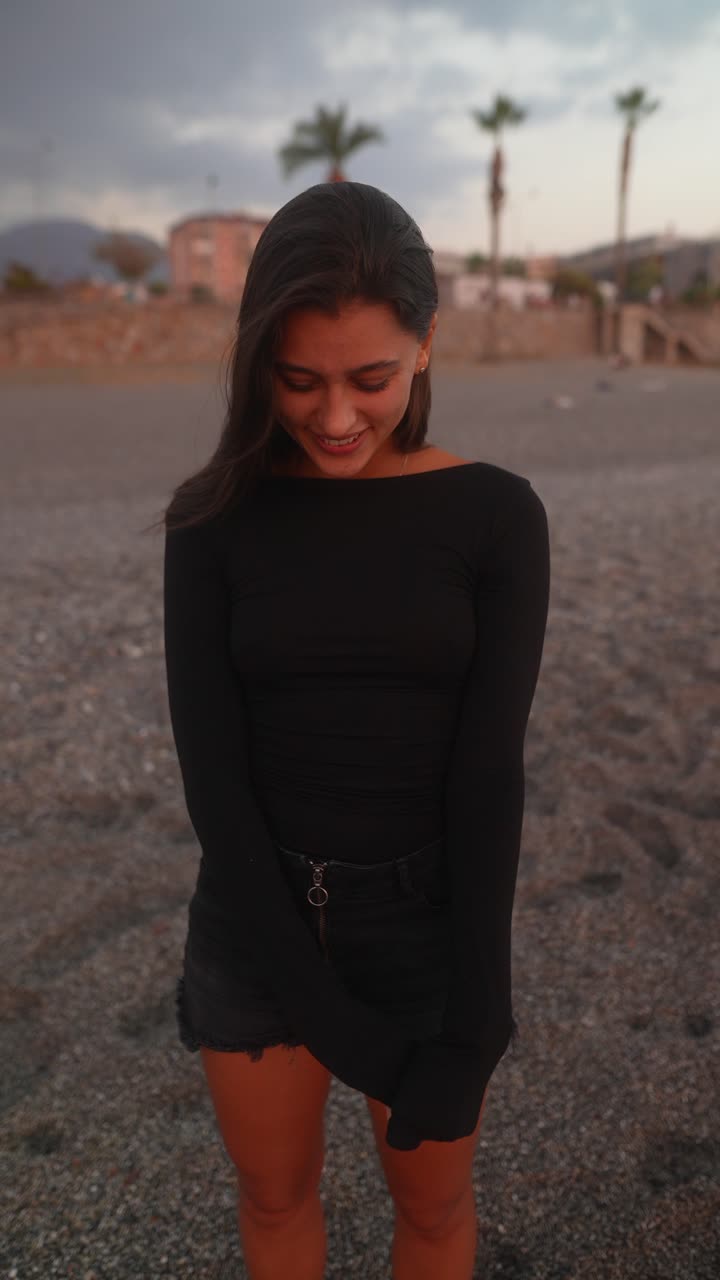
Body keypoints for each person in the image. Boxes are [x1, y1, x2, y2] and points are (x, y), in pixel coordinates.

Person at [159, 181, 550, 1280]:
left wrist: (479, 1014)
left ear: (426, 346)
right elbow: (214, 780)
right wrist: (329, 1010)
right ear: (258, 363)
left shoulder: (496, 514)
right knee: (275, 1199)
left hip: (425, 922)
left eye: (370, 378)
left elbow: (488, 772)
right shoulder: (213, 520)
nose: (335, 416)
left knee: (433, 1211)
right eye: (299, 380)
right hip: (254, 920)